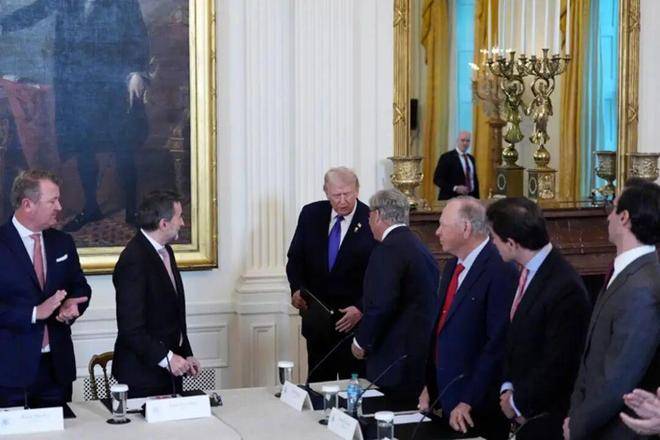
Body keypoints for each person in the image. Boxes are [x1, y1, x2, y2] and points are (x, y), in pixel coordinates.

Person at [0, 0, 150, 231]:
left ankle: (132, 210)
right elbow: (37, 10)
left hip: (114, 85)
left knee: (123, 148)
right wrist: (3, 24)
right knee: (84, 147)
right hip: (77, 85)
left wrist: (137, 72)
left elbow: (138, 34)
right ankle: (91, 207)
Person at [486, 197, 591, 440]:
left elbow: (560, 361)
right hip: (520, 408)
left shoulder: (564, 286)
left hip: (546, 417)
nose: (492, 243)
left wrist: (518, 402)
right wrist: (507, 388)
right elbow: (514, 339)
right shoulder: (526, 271)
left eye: (494, 237)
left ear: (511, 243)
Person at [565, 180, 660, 440]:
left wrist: (578, 425)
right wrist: (575, 412)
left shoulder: (643, 285)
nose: (608, 216)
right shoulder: (629, 273)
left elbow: (619, 376)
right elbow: (591, 356)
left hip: (619, 430)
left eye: (613, 208)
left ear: (624, 217)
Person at [418, 197, 517, 439]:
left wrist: (468, 400)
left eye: (443, 225)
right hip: (446, 396)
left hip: (477, 407)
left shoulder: (500, 268)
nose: (437, 232)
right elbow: (442, 328)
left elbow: (497, 344)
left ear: (465, 228)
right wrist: (431, 385)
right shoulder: (452, 265)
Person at [0, 169, 91, 408]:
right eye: (53, 201)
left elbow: (80, 286)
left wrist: (72, 305)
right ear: (27, 204)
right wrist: (34, 313)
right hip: (9, 373)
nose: (59, 207)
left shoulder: (63, 242)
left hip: (56, 370)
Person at [286, 167, 376, 382]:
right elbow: (295, 259)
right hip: (317, 323)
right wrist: (296, 288)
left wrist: (361, 308)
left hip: (352, 324)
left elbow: (379, 277)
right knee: (317, 385)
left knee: (351, 388)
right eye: (337, 195)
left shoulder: (371, 220)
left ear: (357, 190)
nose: (343, 201)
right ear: (326, 192)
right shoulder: (311, 214)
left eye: (348, 194)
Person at [352, 189, 439, 401]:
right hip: (418, 357)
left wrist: (361, 342)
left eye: (370, 215)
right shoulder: (420, 247)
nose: (369, 221)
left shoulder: (387, 250)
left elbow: (381, 305)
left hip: (392, 361)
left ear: (378, 215)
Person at [112, 191, 200, 398]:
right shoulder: (133, 260)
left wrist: (185, 353)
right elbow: (131, 329)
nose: (183, 223)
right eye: (180, 217)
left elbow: (174, 314)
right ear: (163, 224)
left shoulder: (166, 251)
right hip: (142, 376)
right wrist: (167, 358)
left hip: (170, 372)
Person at [433, 131, 480, 201]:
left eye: (468, 141)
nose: (465, 143)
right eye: (462, 140)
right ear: (457, 141)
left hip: (470, 199)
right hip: (451, 199)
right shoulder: (446, 157)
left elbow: (474, 180)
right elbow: (437, 179)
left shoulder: (471, 158)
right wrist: (455, 188)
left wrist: (477, 200)